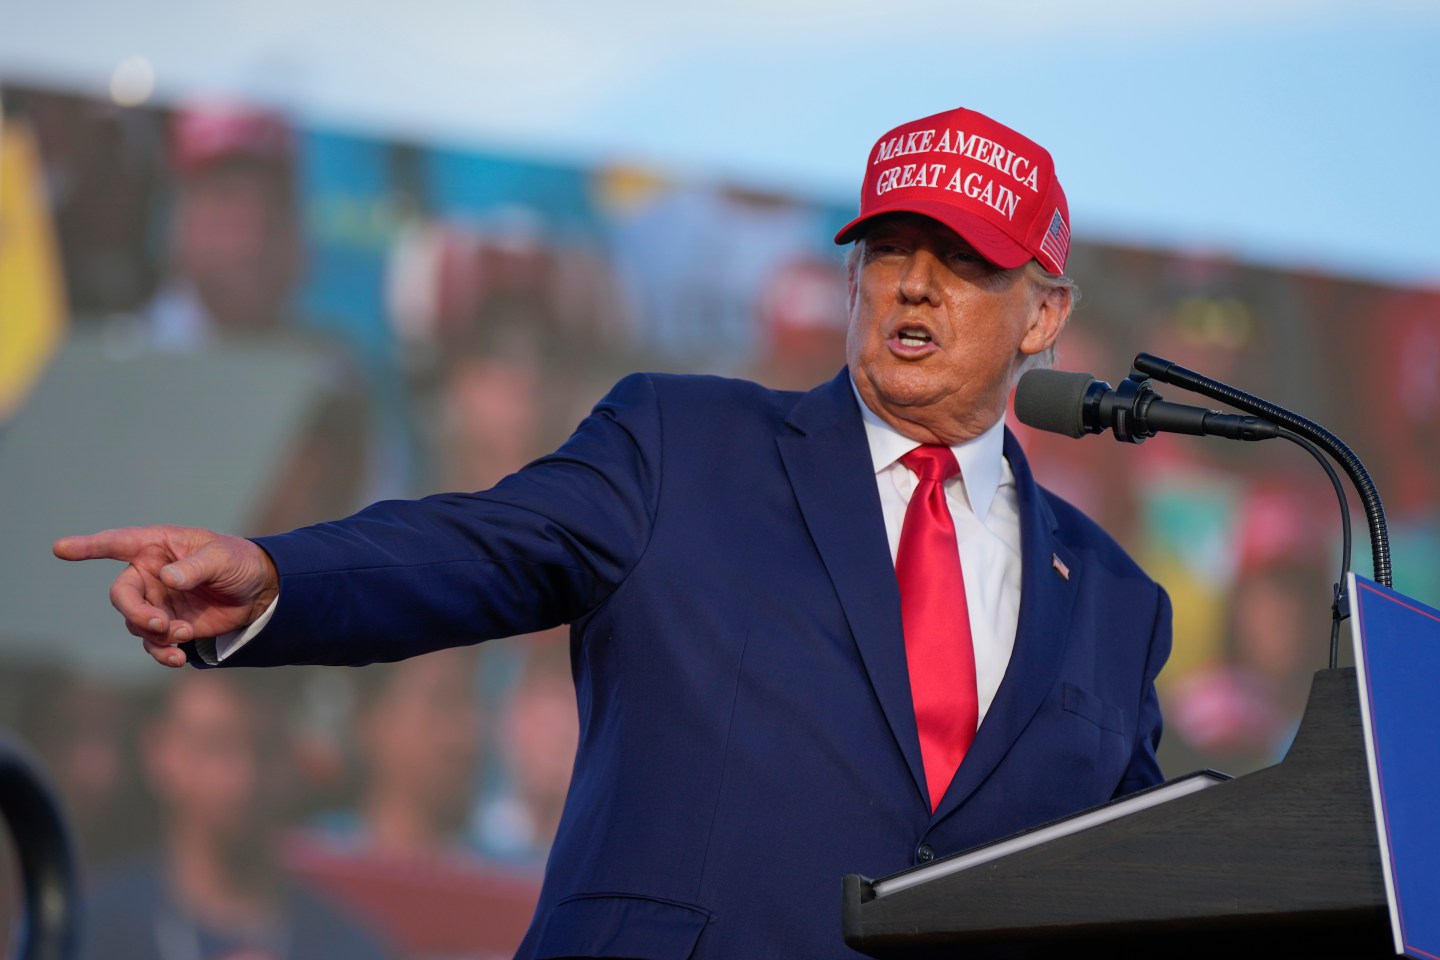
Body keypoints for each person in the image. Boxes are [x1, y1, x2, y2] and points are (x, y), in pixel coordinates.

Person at [55, 106, 1171, 959]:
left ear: (1045, 312)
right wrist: (277, 576)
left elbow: (1127, 886)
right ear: (852, 273)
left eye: (965, 259)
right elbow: (478, 547)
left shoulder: (1114, 603)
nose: (915, 287)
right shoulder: (687, 445)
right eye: (889, 250)